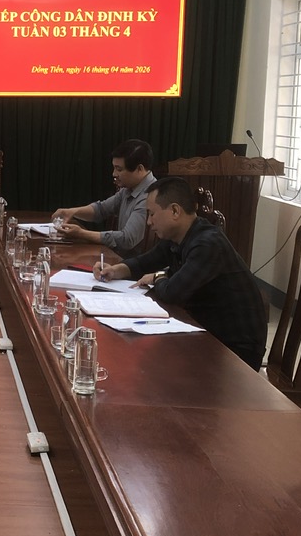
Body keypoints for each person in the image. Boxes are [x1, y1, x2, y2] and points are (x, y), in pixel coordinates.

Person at [95, 176, 267, 370]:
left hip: (235, 350)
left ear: (175, 211)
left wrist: (158, 276)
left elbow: (172, 292)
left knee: (150, 366)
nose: (149, 222)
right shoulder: (177, 237)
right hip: (204, 331)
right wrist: (115, 270)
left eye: (152, 214)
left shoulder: (208, 244)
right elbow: (145, 262)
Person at [51, 139, 156, 259]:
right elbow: (101, 209)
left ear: (139, 169)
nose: (114, 174)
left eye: (119, 169)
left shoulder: (150, 195)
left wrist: (82, 234)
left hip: (133, 266)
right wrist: (72, 212)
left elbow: (127, 239)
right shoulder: (129, 188)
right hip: (119, 259)